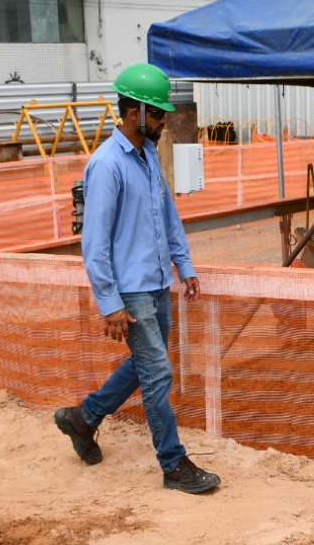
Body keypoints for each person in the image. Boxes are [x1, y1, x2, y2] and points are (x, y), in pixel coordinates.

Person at [53, 62, 220, 495]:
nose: (165, 121)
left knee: (145, 365)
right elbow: (95, 241)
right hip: (130, 289)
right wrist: (109, 302)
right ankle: (173, 463)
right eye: (159, 114)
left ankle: (84, 417)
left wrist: (185, 267)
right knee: (158, 373)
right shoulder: (107, 166)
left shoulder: (146, 157)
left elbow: (168, 217)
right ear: (135, 113)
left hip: (155, 282)